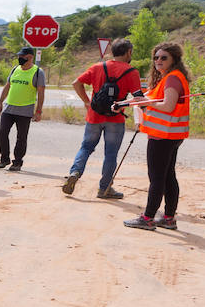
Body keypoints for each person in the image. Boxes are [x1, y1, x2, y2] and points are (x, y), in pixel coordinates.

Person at [63, 38, 144, 200]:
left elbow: (76, 83)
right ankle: (104, 189)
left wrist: (87, 102)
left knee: (86, 147)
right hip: (115, 118)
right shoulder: (131, 71)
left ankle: (75, 172)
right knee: (111, 153)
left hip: (94, 115)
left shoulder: (98, 67)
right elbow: (138, 98)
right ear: (128, 52)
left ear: (112, 52)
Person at [124, 42, 191, 231]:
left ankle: (148, 218)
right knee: (168, 176)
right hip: (170, 134)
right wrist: (133, 102)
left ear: (174, 60)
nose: (158, 61)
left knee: (157, 177)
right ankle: (168, 218)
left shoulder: (172, 79)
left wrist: (147, 103)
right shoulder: (171, 78)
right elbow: (156, 100)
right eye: (156, 57)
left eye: (164, 58)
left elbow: (168, 106)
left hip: (163, 135)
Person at [0, 46, 45, 172]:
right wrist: (0, 102)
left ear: (30, 57)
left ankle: (17, 162)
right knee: (2, 133)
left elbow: (41, 93)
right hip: (9, 107)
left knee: (21, 137)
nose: (20, 58)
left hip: (25, 110)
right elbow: (7, 86)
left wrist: (38, 111)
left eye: (23, 56)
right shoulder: (15, 69)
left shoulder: (38, 72)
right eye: (19, 56)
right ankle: (4, 158)